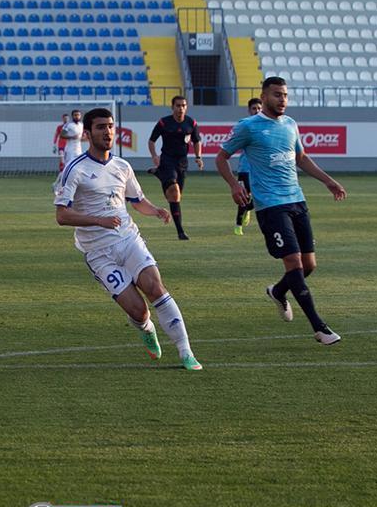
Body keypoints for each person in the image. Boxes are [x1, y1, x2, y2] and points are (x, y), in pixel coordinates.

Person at [53, 108, 202, 371]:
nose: (107, 131)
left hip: (128, 239)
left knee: (156, 288)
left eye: (110, 126)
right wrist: (98, 221)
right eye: (100, 127)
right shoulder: (75, 169)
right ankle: (146, 327)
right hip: (98, 252)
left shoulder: (122, 166)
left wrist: (155, 210)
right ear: (87, 133)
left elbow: (136, 200)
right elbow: (62, 215)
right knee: (138, 311)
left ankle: (186, 352)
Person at [216, 76, 346, 345]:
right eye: (277, 94)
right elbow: (221, 157)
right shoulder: (248, 126)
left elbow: (301, 158)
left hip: (297, 200)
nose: (282, 99)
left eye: (285, 95)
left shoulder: (290, 124)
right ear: (264, 97)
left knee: (309, 265)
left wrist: (328, 181)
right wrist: (234, 185)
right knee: (294, 264)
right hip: (271, 206)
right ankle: (319, 327)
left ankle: (277, 291)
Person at [148, 95, 203, 240]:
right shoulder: (164, 122)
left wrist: (198, 157)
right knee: (174, 191)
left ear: (186, 107)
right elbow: (152, 140)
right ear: (172, 107)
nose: (181, 108)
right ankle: (180, 231)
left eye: (183, 105)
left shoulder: (191, 123)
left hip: (182, 162)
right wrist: (154, 155)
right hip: (167, 159)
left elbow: (197, 141)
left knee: (174, 198)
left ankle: (160, 175)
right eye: (178, 105)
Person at [233, 97, 263, 236]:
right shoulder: (245, 125)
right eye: (254, 108)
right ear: (249, 110)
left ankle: (248, 209)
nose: (257, 111)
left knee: (260, 197)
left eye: (259, 108)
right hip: (245, 168)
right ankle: (238, 226)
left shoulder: (267, 126)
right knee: (243, 197)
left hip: (260, 169)